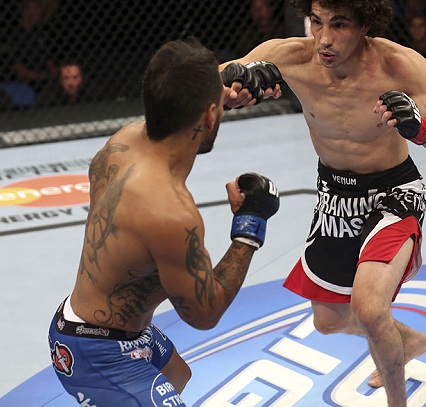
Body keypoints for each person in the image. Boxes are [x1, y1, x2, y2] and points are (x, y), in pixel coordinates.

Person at [220, 0, 426, 407]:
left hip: (394, 193)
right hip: (334, 196)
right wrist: (234, 86)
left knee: (370, 307)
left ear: (365, 26)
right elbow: (210, 85)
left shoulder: (401, 67)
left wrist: (421, 130)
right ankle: (408, 341)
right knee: (328, 321)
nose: (324, 38)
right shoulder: (290, 56)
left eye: (340, 24)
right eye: (316, 21)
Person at [48, 38, 280, 406]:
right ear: (207, 116)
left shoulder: (122, 142)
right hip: (99, 351)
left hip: (91, 322)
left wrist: (221, 99)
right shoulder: (170, 213)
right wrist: (249, 227)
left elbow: (171, 105)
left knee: (177, 375)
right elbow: (205, 314)